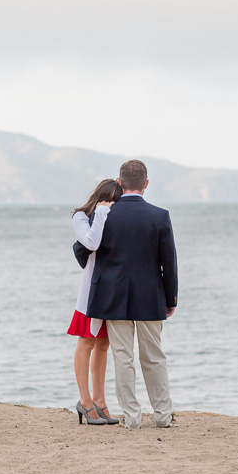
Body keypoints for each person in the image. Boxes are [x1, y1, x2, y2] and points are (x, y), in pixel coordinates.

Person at [85, 159, 179, 429]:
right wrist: (170, 299)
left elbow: (87, 249)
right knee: (154, 357)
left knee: (122, 358)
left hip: (114, 295)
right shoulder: (160, 216)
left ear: (119, 183)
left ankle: (132, 418)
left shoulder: (104, 214)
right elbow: (169, 263)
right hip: (151, 296)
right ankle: (162, 416)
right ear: (146, 184)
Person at [69, 179, 122, 425]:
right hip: (90, 291)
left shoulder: (115, 217)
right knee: (86, 342)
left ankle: (100, 401)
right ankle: (85, 401)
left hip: (111, 290)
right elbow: (91, 242)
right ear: (100, 198)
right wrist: (101, 213)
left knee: (103, 345)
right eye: (109, 201)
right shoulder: (82, 217)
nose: (113, 206)